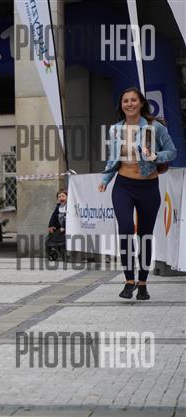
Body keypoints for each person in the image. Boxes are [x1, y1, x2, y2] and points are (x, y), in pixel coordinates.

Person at [97, 87, 176, 300]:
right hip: (123, 185)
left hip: (148, 187)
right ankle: (129, 280)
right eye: (125, 101)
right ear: (121, 105)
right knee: (125, 229)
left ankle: (142, 283)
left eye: (133, 100)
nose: (129, 104)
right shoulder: (115, 130)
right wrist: (105, 179)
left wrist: (155, 156)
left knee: (144, 235)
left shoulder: (155, 127)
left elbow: (172, 151)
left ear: (141, 103)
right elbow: (113, 158)